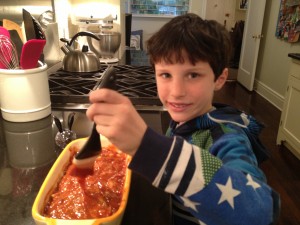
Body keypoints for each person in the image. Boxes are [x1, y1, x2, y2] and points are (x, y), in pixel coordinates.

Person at [86, 13, 280, 225]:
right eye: (166, 75)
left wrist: (149, 147)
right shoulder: (183, 121)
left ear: (220, 79)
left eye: (193, 75)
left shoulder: (227, 139)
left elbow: (260, 213)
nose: (177, 92)